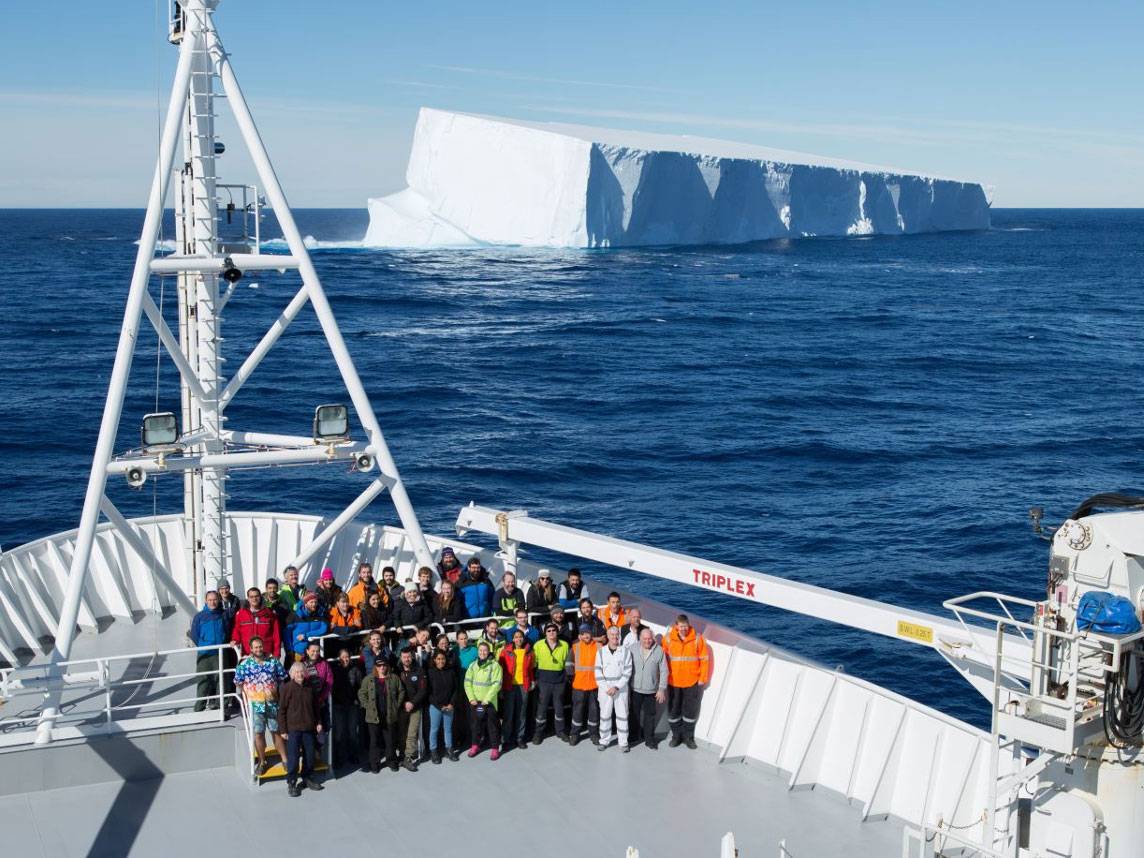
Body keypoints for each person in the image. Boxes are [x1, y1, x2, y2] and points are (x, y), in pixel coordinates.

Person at [234, 635, 288, 774]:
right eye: (256, 647)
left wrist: (279, 697)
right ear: (251, 649)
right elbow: (238, 682)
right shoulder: (244, 665)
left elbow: (283, 678)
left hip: (272, 703)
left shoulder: (273, 662)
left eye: (260, 646)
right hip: (255, 705)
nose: (259, 649)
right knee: (259, 734)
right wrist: (247, 695)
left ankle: (285, 759)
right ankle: (262, 762)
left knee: (276, 732)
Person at [663, 614, 711, 749]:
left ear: (688, 625)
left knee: (690, 711)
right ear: (676, 626)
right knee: (673, 710)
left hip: (691, 681)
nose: (683, 628)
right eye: (681, 626)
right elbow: (662, 660)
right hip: (673, 681)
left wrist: (702, 679)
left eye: (685, 626)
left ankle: (688, 738)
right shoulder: (667, 639)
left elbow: (704, 660)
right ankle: (676, 736)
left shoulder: (697, 639)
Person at [278, 661, 324, 797]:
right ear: (292, 674)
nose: (300, 674)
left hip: (309, 727)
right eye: (297, 672)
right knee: (293, 757)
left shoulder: (310, 688)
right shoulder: (287, 688)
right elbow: (281, 711)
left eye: (302, 671)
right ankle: (292, 782)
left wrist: (318, 722)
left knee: (309, 756)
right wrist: (283, 730)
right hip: (293, 729)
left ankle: (307, 778)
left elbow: (316, 707)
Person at [358, 659, 404, 772]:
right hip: (374, 716)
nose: (382, 668)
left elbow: (401, 691)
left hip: (389, 715)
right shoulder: (368, 679)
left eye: (384, 665)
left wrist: (396, 705)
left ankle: (391, 761)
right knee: (374, 741)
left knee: (390, 740)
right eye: (379, 666)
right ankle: (374, 763)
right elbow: (362, 693)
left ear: (387, 666)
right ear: (375, 667)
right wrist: (367, 705)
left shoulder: (394, 678)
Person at [189, 590, 229, 711]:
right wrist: (204, 645)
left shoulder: (223, 614)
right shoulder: (199, 616)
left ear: (219, 600)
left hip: (220, 653)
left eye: (215, 599)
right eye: (210, 600)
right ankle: (199, 708)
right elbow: (194, 635)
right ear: (206, 601)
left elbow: (227, 631)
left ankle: (221, 707)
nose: (213, 602)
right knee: (203, 681)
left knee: (222, 680)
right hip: (205, 654)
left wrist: (222, 642)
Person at [595, 625, 634, 752]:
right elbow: (598, 672)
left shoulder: (626, 652)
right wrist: (607, 687)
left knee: (622, 715)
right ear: (607, 636)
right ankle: (604, 741)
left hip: (620, 689)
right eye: (612, 634)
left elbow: (627, 672)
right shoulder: (601, 652)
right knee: (605, 715)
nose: (614, 637)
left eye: (617, 634)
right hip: (605, 689)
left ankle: (623, 743)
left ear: (620, 636)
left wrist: (617, 687)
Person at [464, 640, 503, 760]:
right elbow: (467, 682)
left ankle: (495, 749)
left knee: (492, 726)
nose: (482, 652)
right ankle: (475, 746)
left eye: (485, 650)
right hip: (475, 702)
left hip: (489, 702)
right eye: (480, 650)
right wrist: (471, 699)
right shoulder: (473, 665)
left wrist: (487, 699)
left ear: (488, 651)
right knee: (475, 725)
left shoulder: (494, 666)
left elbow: (497, 683)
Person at [630, 627, 667, 749]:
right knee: (634, 714)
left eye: (649, 638)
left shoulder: (659, 651)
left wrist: (661, 689)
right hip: (635, 689)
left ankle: (649, 739)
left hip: (651, 690)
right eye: (645, 638)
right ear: (640, 638)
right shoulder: (632, 648)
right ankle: (634, 735)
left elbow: (664, 671)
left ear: (653, 638)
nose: (647, 641)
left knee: (650, 715)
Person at [533, 622, 570, 744]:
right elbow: (534, 663)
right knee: (542, 708)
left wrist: (566, 678)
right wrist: (536, 679)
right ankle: (539, 733)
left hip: (559, 681)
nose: (551, 632)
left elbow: (567, 663)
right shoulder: (538, 645)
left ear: (557, 631)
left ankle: (560, 731)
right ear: (545, 633)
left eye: (553, 630)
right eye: (548, 631)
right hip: (543, 681)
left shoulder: (564, 645)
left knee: (559, 707)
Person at [499, 628, 535, 751]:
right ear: (512, 639)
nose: (518, 639)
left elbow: (531, 669)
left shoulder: (529, 651)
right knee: (508, 714)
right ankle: (506, 739)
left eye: (520, 637)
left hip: (523, 686)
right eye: (516, 637)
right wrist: (501, 688)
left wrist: (532, 681)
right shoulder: (505, 652)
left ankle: (520, 738)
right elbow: (501, 670)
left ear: (523, 638)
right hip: (510, 686)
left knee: (521, 713)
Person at [330, 647, 364, 769]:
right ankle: (338, 757)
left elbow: (360, 686)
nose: (345, 659)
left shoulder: (355, 670)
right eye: (343, 657)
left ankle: (353, 755)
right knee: (339, 733)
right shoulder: (334, 670)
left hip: (352, 705)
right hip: (339, 705)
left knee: (352, 732)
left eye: (347, 657)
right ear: (339, 658)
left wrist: (359, 701)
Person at [396, 648, 428, 771]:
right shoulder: (396, 671)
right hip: (401, 707)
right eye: (404, 657)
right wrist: (404, 703)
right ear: (401, 658)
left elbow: (423, 690)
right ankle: (401, 756)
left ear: (412, 657)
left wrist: (413, 703)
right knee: (402, 732)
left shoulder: (419, 670)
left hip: (415, 706)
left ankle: (408, 758)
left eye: (408, 657)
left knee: (412, 732)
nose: (407, 659)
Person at [569, 623, 600, 746]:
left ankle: (594, 734)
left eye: (587, 633)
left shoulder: (599, 646)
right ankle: (575, 734)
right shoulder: (575, 647)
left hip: (594, 685)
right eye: (583, 633)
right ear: (580, 636)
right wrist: (573, 677)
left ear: (591, 633)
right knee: (577, 711)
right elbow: (569, 665)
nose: (585, 635)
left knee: (594, 710)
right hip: (579, 685)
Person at [427, 649, 459, 763]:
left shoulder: (451, 671)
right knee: (434, 729)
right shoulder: (430, 672)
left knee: (448, 729)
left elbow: (456, 689)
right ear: (434, 660)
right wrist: (439, 706)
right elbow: (428, 693)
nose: (441, 661)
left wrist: (451, 703)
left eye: (443, 659)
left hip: (449, 706)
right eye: (438, 659)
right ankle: (433, 751)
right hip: (436, 707)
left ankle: (449, 749)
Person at [232, 586, 281, 658]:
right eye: (251, 597)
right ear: (248, 599)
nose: (254, 599)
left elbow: (276, 635)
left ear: (260, 597)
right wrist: (235, 640)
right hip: (248, 655)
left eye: (256, 596)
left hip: (266, 655)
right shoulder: (241, 614)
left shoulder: (270, 614)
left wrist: (277, 654)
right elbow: (237, 630)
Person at [285, 591, 328, 661]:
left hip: (315, 653)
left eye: (315, 602)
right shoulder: (294, 616)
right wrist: (289, 650)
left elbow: (324, 629)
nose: (314, 604)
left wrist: (306, 635)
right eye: (311, 602)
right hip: (299, 653)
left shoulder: (320, 614)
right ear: (305, 603)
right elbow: (287, 634)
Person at [458, 557, 494, 624]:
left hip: (485, 619)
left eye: (478, 567)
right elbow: (457, 601)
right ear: (469, 568)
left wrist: (491, 612)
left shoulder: (486, 581)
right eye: (473, 567)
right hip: (468, 620)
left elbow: (492, 597)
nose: (476, 570)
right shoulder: (462, 582)